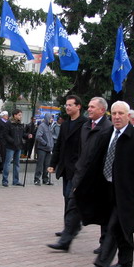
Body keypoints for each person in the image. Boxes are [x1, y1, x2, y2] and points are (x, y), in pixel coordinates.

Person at [72, 101, 134, 267]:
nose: (116, 117)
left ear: (128, 116)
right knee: (123, 225)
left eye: (121, 114)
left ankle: (101, 263)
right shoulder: (106, 134)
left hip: (127, 191)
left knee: (114, 225)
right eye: (114, 113)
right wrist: (83, 184)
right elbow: (95, 162)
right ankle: (126, 260)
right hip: (106, 188)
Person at [47, 97, 112, 252]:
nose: (89, 109)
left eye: (92, 107)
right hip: (81, 173)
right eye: (88, 106)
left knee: (104, 210)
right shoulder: (86, 126)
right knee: (72, 204)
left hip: (99, 177)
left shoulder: (108, 128)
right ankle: (65, 240)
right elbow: (82, 151)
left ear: (102, 110)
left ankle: (104, 244)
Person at [49, 95, 87, 224]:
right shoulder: (65, 125)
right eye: (66, 105)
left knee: (71, 196)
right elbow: (58, 145)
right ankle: (70, 224)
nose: (67, 107)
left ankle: (71, 225)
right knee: (67, 196)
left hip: (77, 167)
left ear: (78, 107)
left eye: (70, 105)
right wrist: (52, 164)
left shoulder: (85, 124)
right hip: (65, 167)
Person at [2, 109, 29, 186]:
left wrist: (27, 135)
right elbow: (5, 135)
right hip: (10, 146)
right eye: (19, 115)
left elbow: (23, 134)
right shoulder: (8, 123)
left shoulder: (21, 124)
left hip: (18, 146)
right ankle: (5, 180)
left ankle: (16, 180)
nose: (21, 116)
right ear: (15, 115)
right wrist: (12, 141)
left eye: (21, 115)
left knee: (17, 164)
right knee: (7, 164)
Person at [34, 113, 54, 186]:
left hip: (49, 149)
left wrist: (51, 145)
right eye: (51, 118)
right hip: (42, 149)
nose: (52, 119)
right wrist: (45, 143)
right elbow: (38, 136)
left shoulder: (49, 126)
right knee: (40, 164)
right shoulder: (42, 126)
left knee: (47, 165)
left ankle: (45, 179)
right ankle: (37, 179)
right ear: (47, 118)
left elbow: (50, 137)